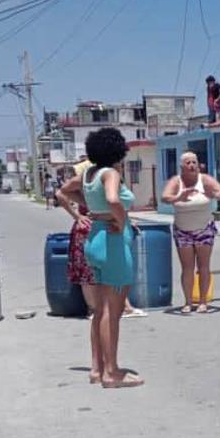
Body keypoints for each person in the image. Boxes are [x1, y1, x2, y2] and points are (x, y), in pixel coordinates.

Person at [80, 128, 143, 387]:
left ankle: (97, 368)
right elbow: (113, 199)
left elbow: (66, 191)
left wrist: (96, 212)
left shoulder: (88, 174)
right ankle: (111, 372)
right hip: (111, 243)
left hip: (95, 239)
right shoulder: (110, 173)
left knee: (99, 309)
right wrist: (118, 218)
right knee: (112, 310)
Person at [58, 158, 146, 324]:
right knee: (110, 307)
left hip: (93, 231)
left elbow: (62, 191)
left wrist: (82, 211)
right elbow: (113, 201)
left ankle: (96, 311)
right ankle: (112, 310)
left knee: (97, 294)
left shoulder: (88, 180)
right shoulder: (105, 176)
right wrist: (120, 222)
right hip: (103, 232)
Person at [162, 152, 220, 314]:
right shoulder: (176, 181)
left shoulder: (204, 180)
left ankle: (204, 302)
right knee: (187, 267)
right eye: (188, 163)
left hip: (204, 228)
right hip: (183, 230)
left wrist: (215, 194)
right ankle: (188, 301)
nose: (192, 165)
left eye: (194, 162)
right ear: (182, 167)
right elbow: (164, 197)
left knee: (203, 266)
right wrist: (179, 197)